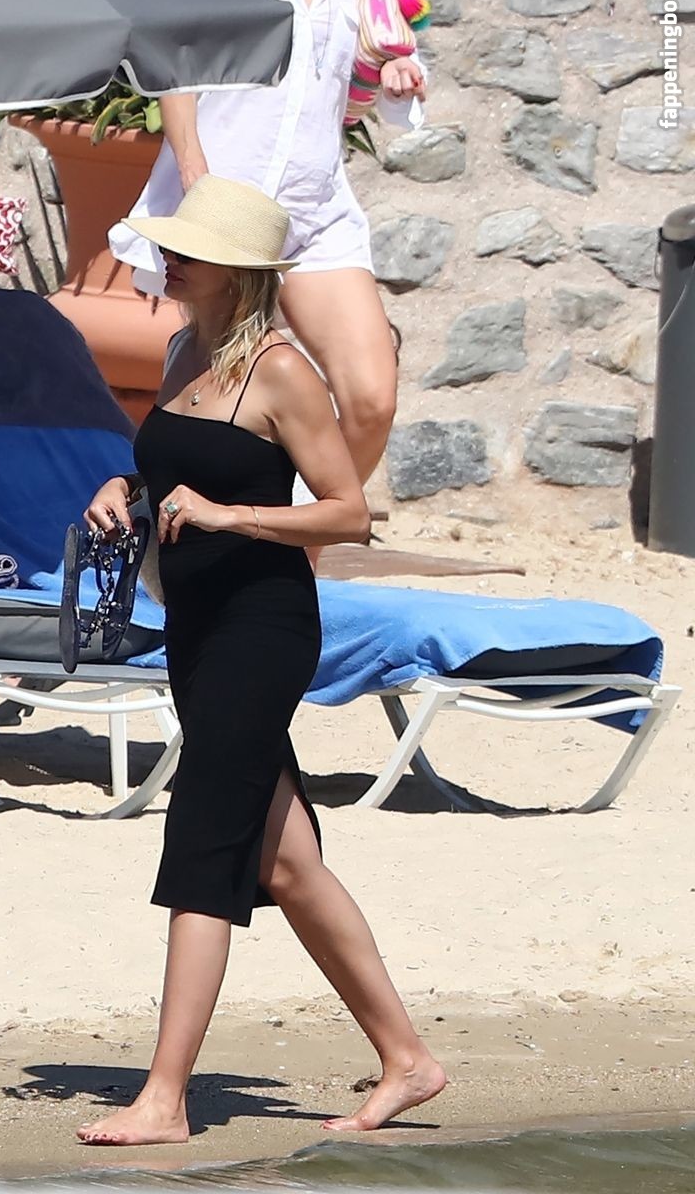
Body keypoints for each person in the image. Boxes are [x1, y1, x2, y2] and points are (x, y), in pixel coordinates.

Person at [76, 177, 444, 1146]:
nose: (168, 261)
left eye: (187, 251)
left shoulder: (281, 370)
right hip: (195, 626)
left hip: (262, 626)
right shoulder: (182, 350)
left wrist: (232, 515)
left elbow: (350, 512)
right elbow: (167, 468)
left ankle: (166, 1097)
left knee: (204, 836)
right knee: (285, 860)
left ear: (237, 272)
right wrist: (121, 486)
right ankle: (409, 1058)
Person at [108, 0, 426, 485]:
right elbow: (174, 64)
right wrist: (193, 173)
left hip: (317, 212)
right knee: (211, 406)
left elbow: (368, 76)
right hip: (225, 204)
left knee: (372, 401)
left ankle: (301, 531)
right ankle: (215, 531)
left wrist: (398, 71)